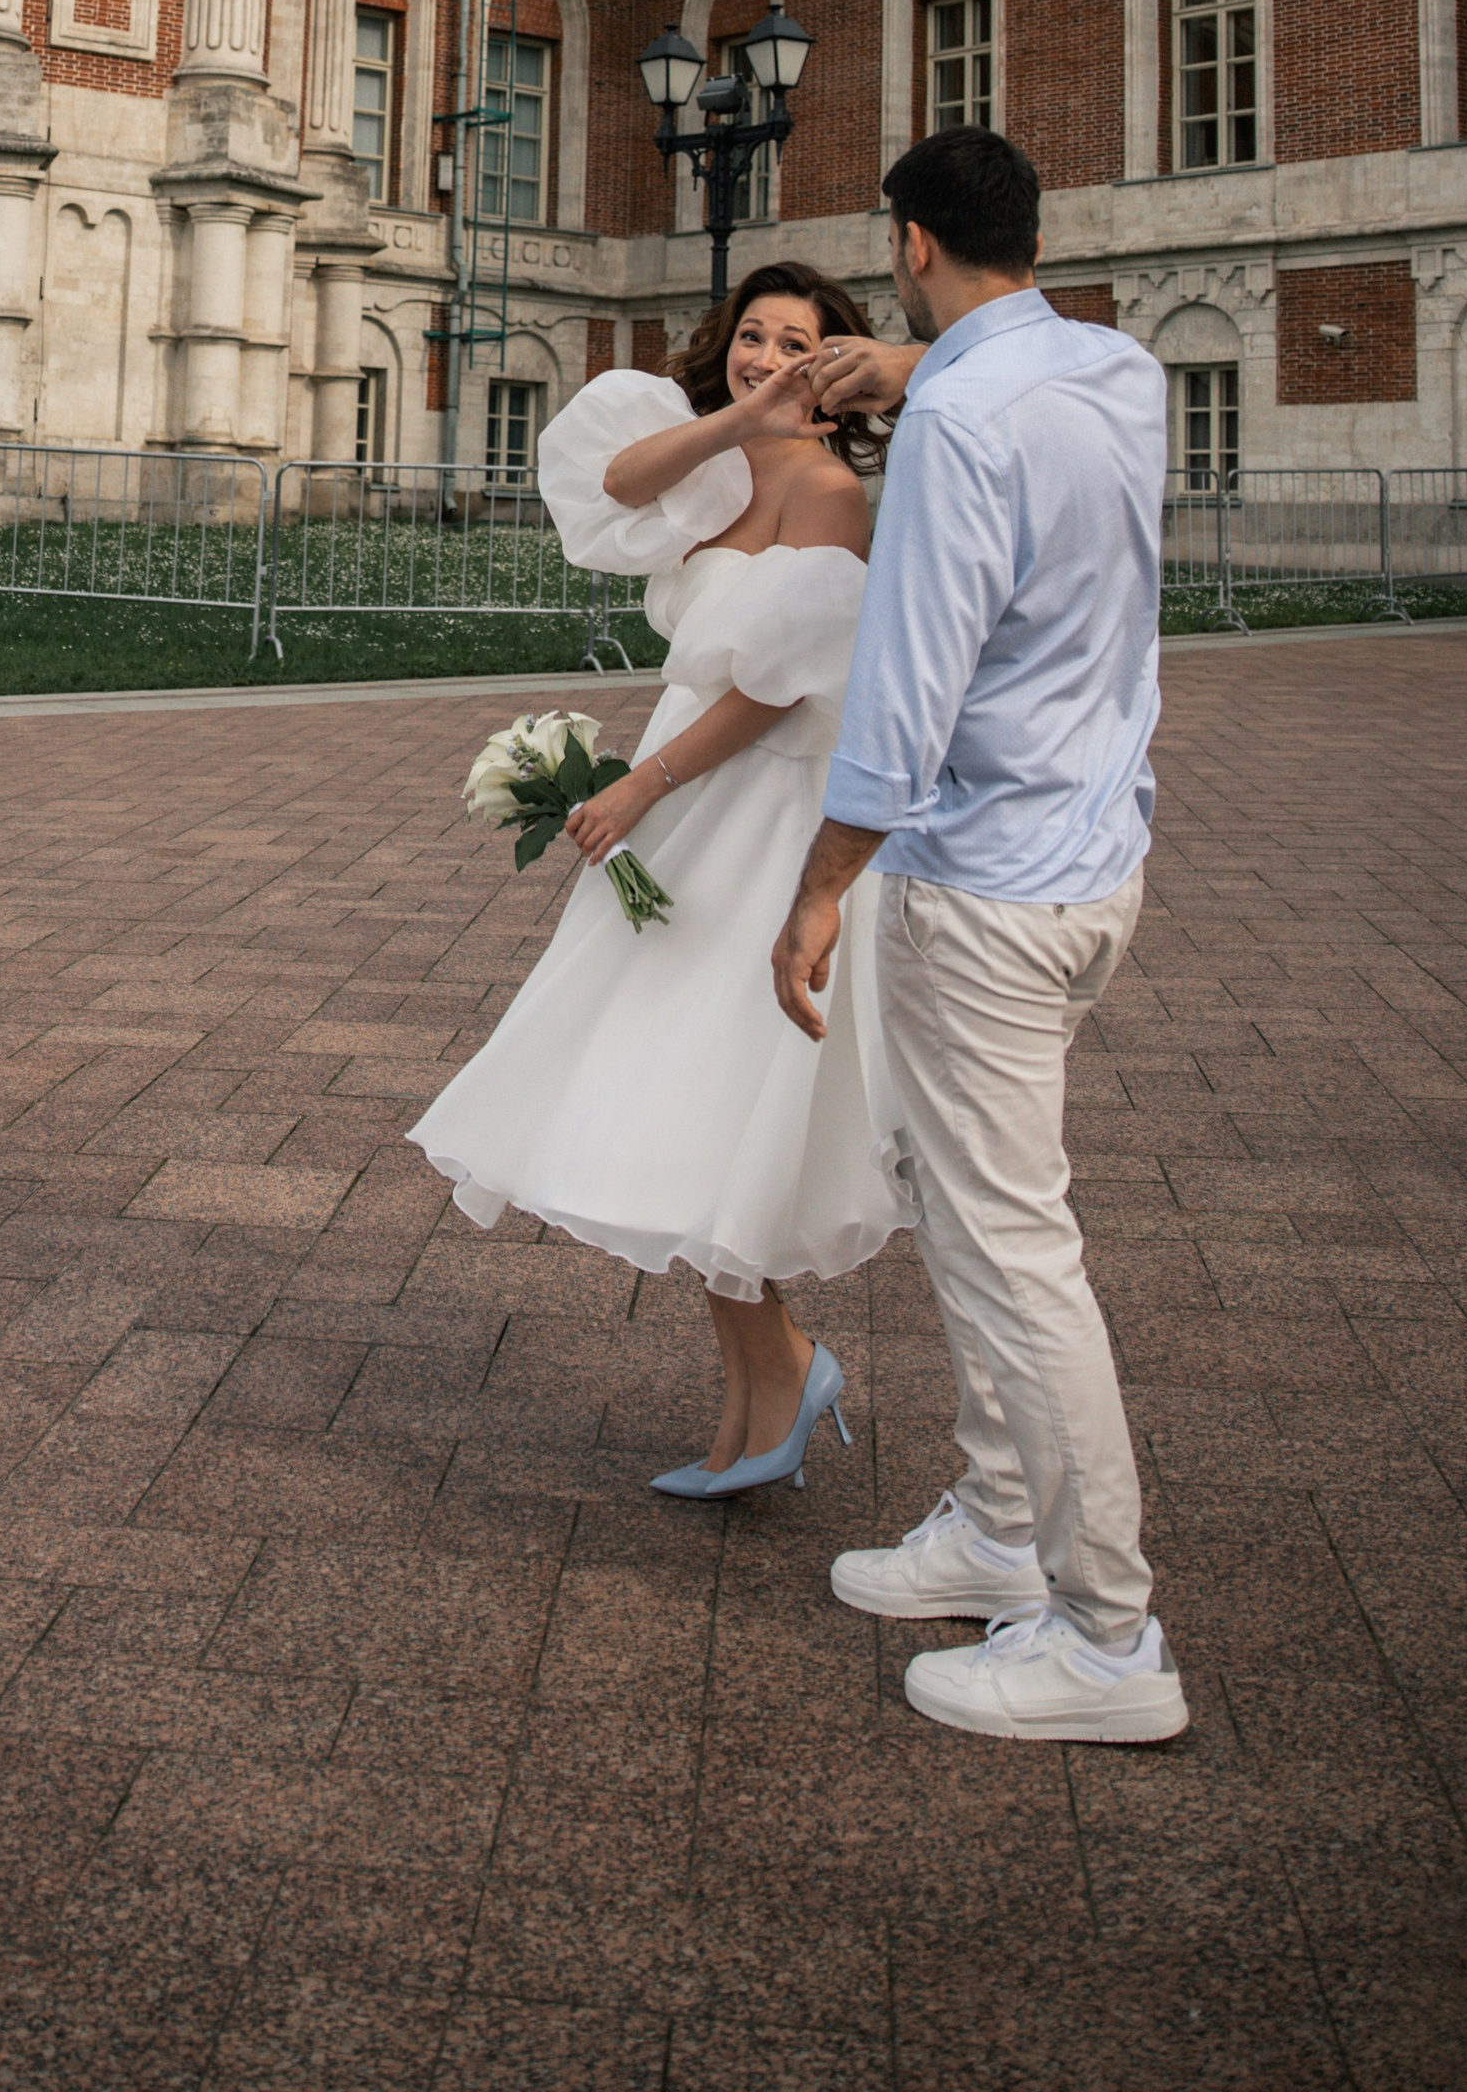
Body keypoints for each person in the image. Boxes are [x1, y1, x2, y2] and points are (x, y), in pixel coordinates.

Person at [771, 126, 1186, 1743]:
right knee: (969, 1210)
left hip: (985, 885)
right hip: (1093, 862)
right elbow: (999, 380)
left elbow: (911, 686)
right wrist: (912, 364)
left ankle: (1106, 1639)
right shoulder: (1117, 371)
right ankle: (1002, 1522)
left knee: (1015, 1254)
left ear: (909, 242)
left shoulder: (955, 415)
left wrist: (819, 890)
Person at [409, 265, 913, 1500]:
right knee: (689, 1103)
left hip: (760, 811)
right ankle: (768, 1388)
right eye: (752, 336)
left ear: (843, 372)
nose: (769, 354)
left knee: (713, 1097)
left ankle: (782, 1376)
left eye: (800, 342)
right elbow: (615, 482)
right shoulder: (718, 464)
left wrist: (642, 787)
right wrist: (744, 416)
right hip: (693, 800)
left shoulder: (834, 495)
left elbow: (777, 684)